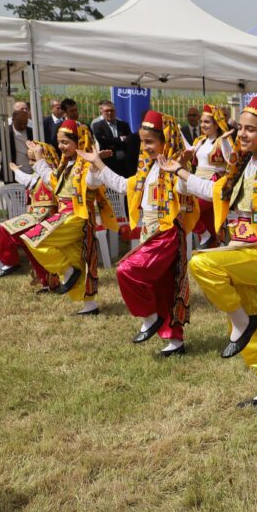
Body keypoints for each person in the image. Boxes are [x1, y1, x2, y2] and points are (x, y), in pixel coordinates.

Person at [173, 96, 257, 407]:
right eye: (240, 129)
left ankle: (242, 326)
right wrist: (180, 172)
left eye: (250, 129)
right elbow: (215, 191)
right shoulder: (243, 164)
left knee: (202, 263)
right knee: (250, 312)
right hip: (239, 251)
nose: (243, 135)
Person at [78, 110, 200, 357]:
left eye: (150, 142)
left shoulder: (174, 168)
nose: (145, 147)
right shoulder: (147, 169)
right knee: (162, 285)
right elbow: (124, 186)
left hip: (167, 234)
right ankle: (174, 342)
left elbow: (186, 189)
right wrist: (98, 164)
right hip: (150, 231)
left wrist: (183, 168)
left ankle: (150, 316)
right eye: (143, 142)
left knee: (127, 270)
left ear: (166, 140)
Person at [17, 121, 119, 315]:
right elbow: (50, 179)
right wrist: (39, 157)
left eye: (65, 142)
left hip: (77, 216)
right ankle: (89, 305)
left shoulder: (87, 166)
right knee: (75, 258)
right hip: (65, 215)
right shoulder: (66, 165)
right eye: (59, 142)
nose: (61, 146)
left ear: (79, 141)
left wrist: (97, 165)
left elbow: (94, 182)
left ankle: (67, 272)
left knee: (34, 238)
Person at [0, 141, 62, 287]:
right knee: (29, 245)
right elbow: (28, 180)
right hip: (37, 217)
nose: (30, 163)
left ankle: (10, 262)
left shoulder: (53, 175)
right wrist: (15, 170)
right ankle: (49, 282)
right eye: (29, 159)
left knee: (6, 229)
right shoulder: (38, 175)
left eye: (33, 159)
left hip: (47, 218)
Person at [188, 104, 234, 248]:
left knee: (189, 210)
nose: (203, 125)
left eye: (207, 122)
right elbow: (188, 153)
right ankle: (211, 242)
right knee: (209, 222)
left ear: (216, 123)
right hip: (197, 183)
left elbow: (231, 159)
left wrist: (226, 141)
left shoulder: (222, 140)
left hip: (213, 185)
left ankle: (204, 234)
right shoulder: (200, 141)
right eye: (202, 121)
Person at [91, 101, 138, 177]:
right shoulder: (97, 126)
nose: (109, 113)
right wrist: (120, 139)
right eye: (107, 111)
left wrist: (112, 142)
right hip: (107, 162)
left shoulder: (124, 125)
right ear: (102, 112)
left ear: (115, 111)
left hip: (123, 163)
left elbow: (129, 140)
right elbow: (103, 142)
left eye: (111, 110)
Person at [0, 103, 34, 182]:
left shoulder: (31, 132)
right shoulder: (5, 131)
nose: (23, 126)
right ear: (13, 120)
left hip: (30, 173)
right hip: (11, 174)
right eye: (20, 124)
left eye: (25, 123)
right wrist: (1, 135)